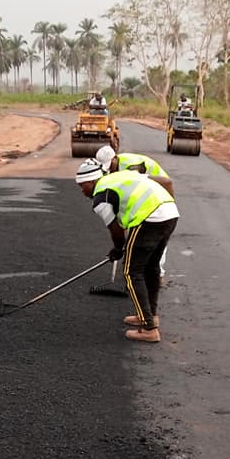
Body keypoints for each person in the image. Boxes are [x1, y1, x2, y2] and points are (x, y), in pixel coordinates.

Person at [75, 158, 179, 343]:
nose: (82, 191)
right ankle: (149, 315)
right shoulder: (119, 177)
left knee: (132, 272)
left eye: (82, 186)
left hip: (150, 218)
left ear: (92, 181)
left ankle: (149, 329)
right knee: (151, 268)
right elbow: (165, 182)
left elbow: (115, 229)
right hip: (169, 212)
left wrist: (117, 249)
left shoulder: (101, 197)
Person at [95, 144, 175, 285]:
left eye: (110, 166)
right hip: (146, 192)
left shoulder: (132, 166)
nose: (108, 171)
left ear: (115, 158)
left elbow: (159, 184)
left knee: (157, 238)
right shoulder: (115, 167)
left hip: (159, 189)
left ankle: (158, 274)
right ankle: (138, 270)